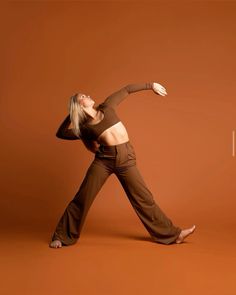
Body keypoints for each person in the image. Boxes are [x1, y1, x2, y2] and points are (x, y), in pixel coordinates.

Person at [49, 82, 196, 248]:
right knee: (83, 197)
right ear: (78, 105)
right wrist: (71, 114)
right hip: (104, 161)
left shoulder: (107, 106)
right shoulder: (84, 128)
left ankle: (173, 235)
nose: (87, 96)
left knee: (144, 198)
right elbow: (60, 133)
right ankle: (62, 236)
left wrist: (151, 85)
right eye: (82, 97)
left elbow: (126, 90)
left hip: (126, 160)